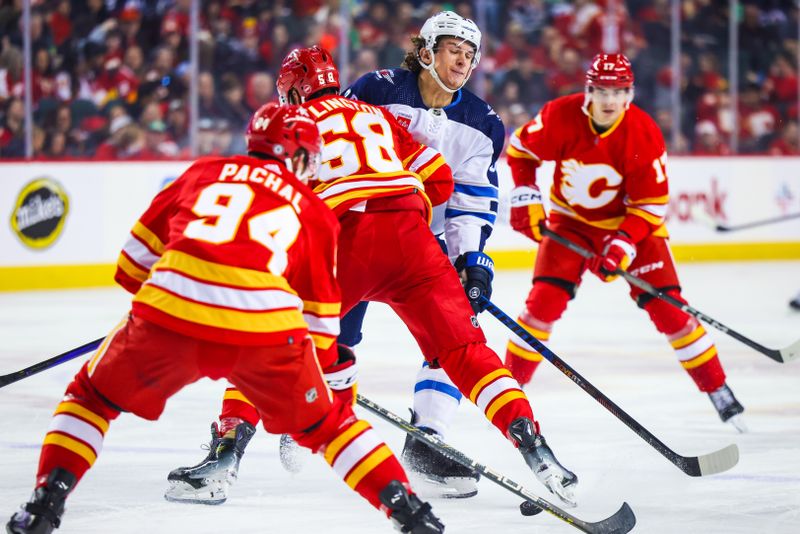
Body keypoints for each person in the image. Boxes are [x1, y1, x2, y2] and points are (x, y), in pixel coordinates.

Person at [166, 45, 578, 510]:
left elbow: (270, 201)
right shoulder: (375, 115)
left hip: (344, 245)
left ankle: (226, 456)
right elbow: (440, 179)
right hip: (413, 241)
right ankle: (534, 447)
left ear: (294, 92)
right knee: (464, 350)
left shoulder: (289, 124)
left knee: (268, 342)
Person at [6, 103, 444, 534]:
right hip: (264, 334)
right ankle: (410, 514)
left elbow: (131, 266)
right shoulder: (313, 210)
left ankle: (45, 504)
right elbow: (321, 323)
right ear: (297, 155)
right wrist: (328, 372)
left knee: (91, 398)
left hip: (169, 315)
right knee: (331, 428)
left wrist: (159, 315)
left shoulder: (201, 172)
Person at [503, 53, 747, 433]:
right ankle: (507, 392)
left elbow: (650, 206)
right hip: (570, 225)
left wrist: (622, 244)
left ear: (630, 94)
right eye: (601, 90)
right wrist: (524, 194)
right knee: (541, 307)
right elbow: (521, 152)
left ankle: (717, 389)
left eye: (618, 92)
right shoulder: (560, 115)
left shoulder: (644, 133)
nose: (609, 100)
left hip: (629, 226)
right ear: (588, 91)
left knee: (671, 313)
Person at [340, 10, 505, 499]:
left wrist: (470, 258)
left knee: (457, 334)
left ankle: (428, 438)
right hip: (356, 228)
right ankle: (274, 423)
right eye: (454, 47)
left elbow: (472, 199)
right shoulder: (376, 88)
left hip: (420, 244)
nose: (464, 58)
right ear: (427, 51)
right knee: (327, 332)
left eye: (471, 52)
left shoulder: (482, 121)